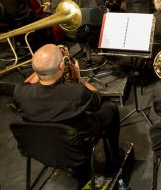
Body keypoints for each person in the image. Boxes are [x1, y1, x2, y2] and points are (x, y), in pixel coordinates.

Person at [13, 44, 121, 177]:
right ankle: (115, 157)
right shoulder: (76, 92)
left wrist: (42, 68)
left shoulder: (20, 93)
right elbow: (97, 101)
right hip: (76, 150)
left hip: (37, 149)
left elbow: (26, 84)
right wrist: (79, 78)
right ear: (60, 67)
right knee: (110, 108)